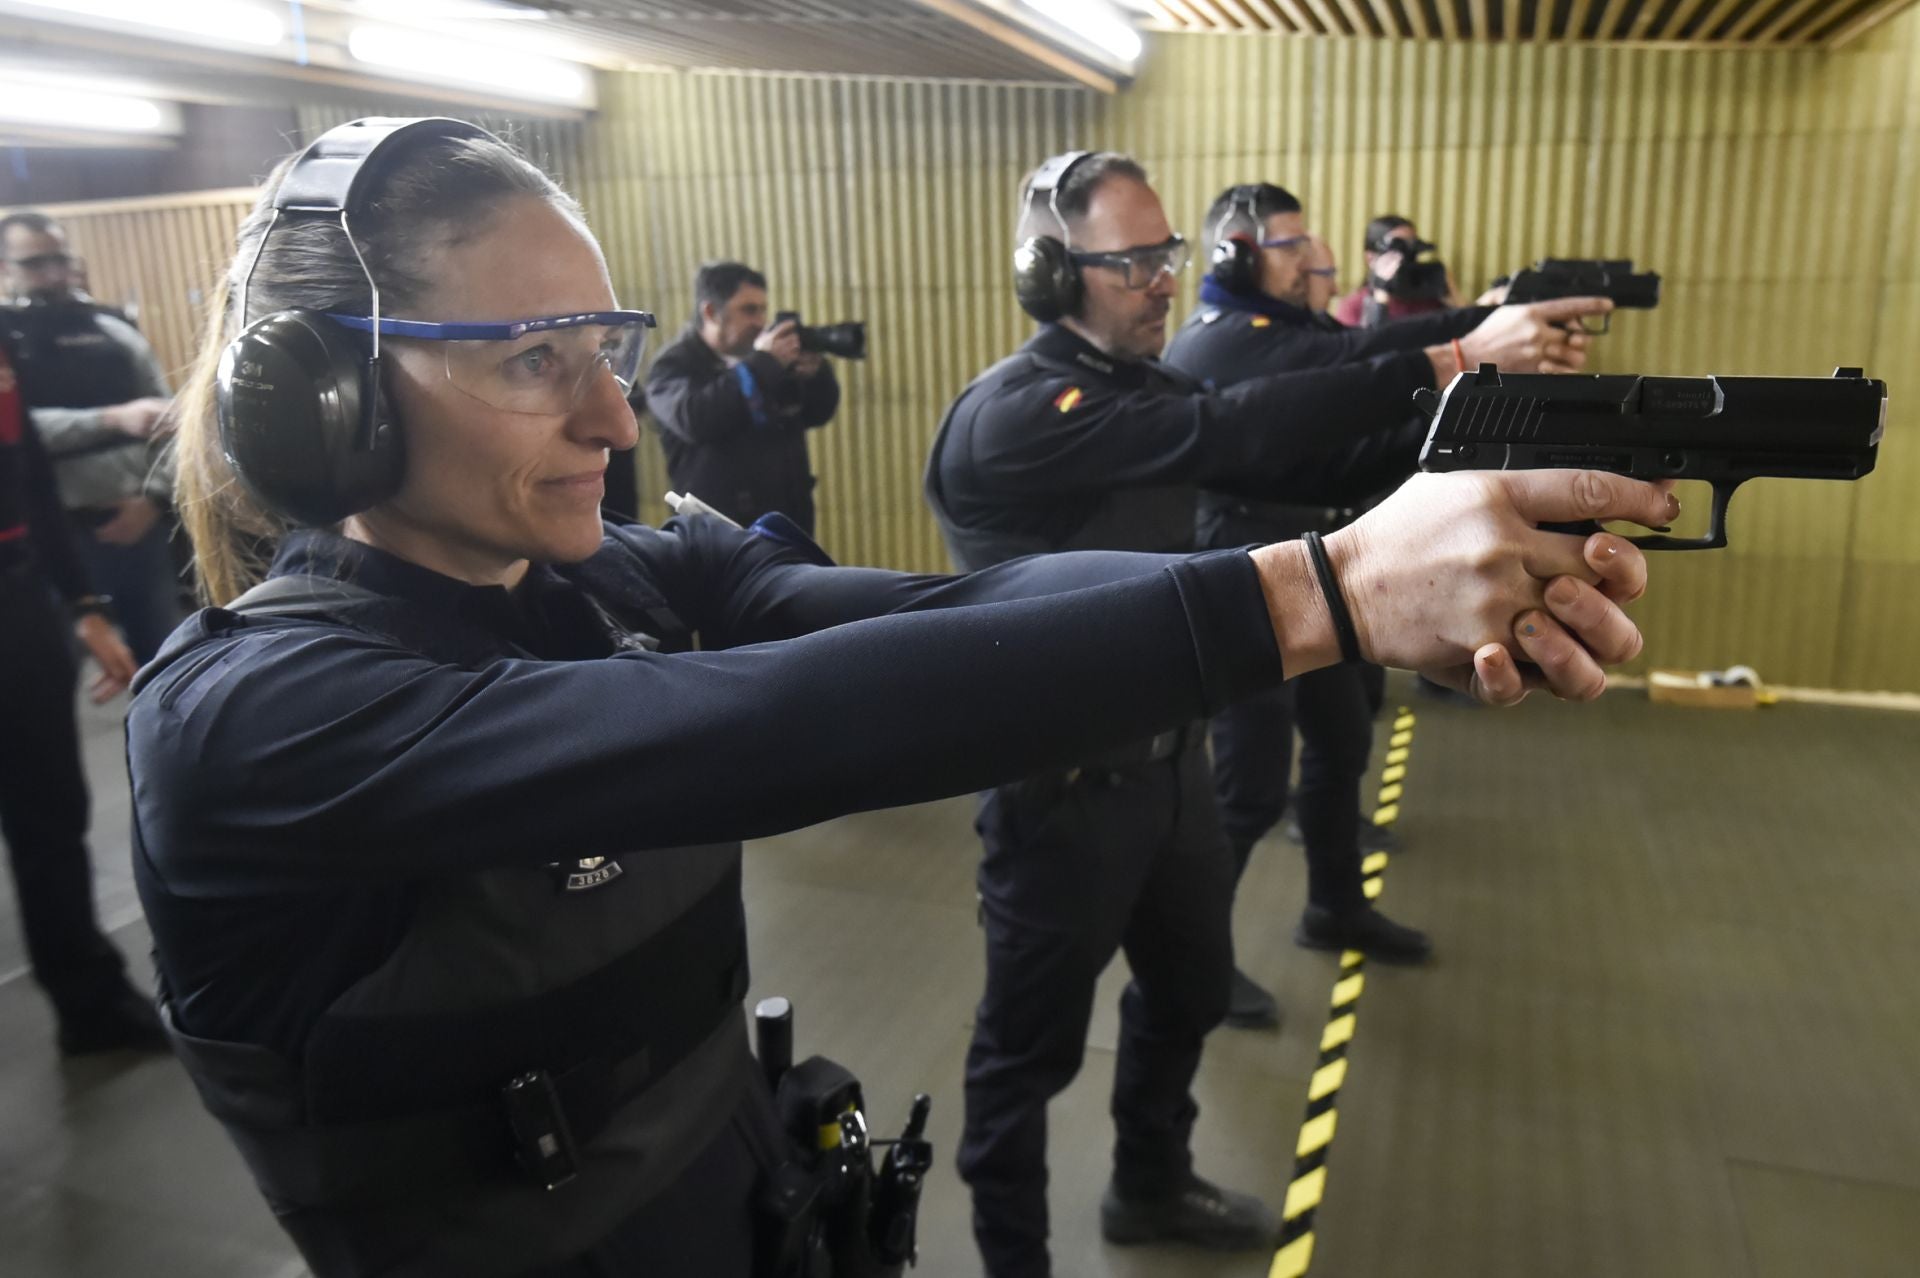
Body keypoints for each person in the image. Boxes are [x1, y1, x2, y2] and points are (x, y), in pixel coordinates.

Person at [132, 119, 1664, 1278]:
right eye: (534, 361)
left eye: (601, 347)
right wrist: (1317, 592)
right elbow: (768, 726)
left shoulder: (620, 579)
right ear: (325, 400)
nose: (613, 411)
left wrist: (1333, 596)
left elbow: (948, 614)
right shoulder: (254, 722)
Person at [922, 153, 1615, 1276]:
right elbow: (1236, 433)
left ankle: (1147, 1186)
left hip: (1171, 763)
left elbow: (1304, 391)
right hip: (1063, 794)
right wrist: (1448, 353)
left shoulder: (1146, 386)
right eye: (1134, 261)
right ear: (1054, 273)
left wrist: (1464, 378)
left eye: (1167, 256)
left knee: (1189, 994)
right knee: (1023, 1060)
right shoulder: (1020, 415)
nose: (1161, 280)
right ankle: (1014, 1260)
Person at [1163, 183, 1601, 1026]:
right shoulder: (1215, 342)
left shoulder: (1288, 330)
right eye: (1293, 247)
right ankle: (1194, 967)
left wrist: (1481, 335)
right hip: (1242, 560)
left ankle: (1333, 904)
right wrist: (1469, 339)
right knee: (1247, 789)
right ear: (1238, 252)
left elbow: (1364, 358)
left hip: (1319, 557)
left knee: (1340, 740)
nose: (1310, 260)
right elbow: (1337, 372)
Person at [0, 334, 155, 1055]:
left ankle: (90, 1003)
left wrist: (83, 602)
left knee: (51, 811)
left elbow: (28, 471)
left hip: (16, 589)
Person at [2, 211, 181, 663]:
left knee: (164, 662)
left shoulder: (112, 330)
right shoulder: (7, 343)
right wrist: (112, 419)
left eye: (60, 259)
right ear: (6, 268)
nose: (52, 274)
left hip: (136, 524)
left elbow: (172, 423)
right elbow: (17, 432)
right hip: (49, 538)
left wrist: (155, 500)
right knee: (51, 673)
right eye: (34, 263)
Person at [643, 261, 839, 534]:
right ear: (711, 312)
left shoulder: (766, 359)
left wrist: (815, 374)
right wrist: (763, 365)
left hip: (786, 524)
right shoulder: (673, 365)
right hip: (715, 534)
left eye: (762, 309)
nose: (760, 322)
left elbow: (819, 412)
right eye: (748, 310)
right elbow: (695, 418)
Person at [1333, 214, 1459, 329]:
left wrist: (1454, 297)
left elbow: (1470, 336)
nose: (1405, 260)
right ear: (1370, 258)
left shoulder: (1433, 299)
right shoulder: (1355, 306)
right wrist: (1381, 301)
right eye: (1397, 250)